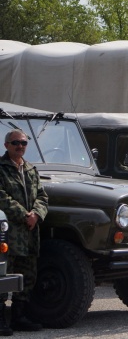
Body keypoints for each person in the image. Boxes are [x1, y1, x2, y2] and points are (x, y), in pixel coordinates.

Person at [0, 129, 48, 334]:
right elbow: (2, 197)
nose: (20, 146)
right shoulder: (1, 168)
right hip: (9, 233)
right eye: (15, 143)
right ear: (6, 146)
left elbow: (42, 196)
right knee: (3, 276)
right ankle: (1, 319)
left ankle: (19, 316)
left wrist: (36, 214)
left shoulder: (30, 169)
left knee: (27, 276)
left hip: (28, 234)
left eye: (24, 143)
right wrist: (23, 215)